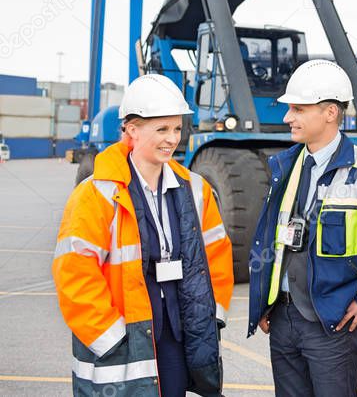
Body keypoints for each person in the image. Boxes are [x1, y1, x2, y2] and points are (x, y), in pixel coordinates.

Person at [53, 73, 234, 396]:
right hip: (124, 336)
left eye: (177, 129)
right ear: (131, 131)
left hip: (178, 332)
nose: (172, 139)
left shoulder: (195, 189)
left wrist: (212, 318)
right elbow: (74, 272)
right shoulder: (97, 193)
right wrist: (109, 336)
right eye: (161, 129)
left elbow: (217, 257)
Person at [248, 59, 357, 397]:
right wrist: (264, 301)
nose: (288, 117)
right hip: (282, 320)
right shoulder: (284, 167)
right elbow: (271, 241)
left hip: (333, 324)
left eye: (298, 109)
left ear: (330, 112)